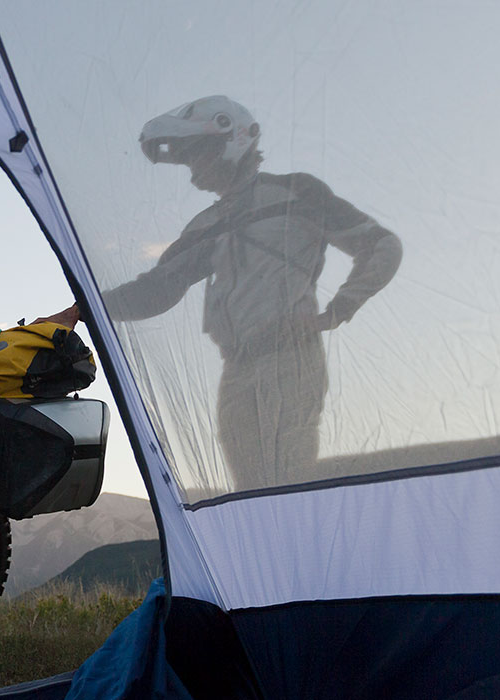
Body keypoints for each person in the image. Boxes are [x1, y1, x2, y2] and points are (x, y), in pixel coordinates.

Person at [39, 95, 402, 491]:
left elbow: (382, 245)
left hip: (289, 359)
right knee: (251, 491)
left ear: (231, 140)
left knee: (289, 483)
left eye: (197, 154)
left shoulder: (298, 193)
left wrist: (337, 310)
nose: (193, 168)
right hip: (237, 369)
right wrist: (85, 309)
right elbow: (158, 289)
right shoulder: (209, 223)